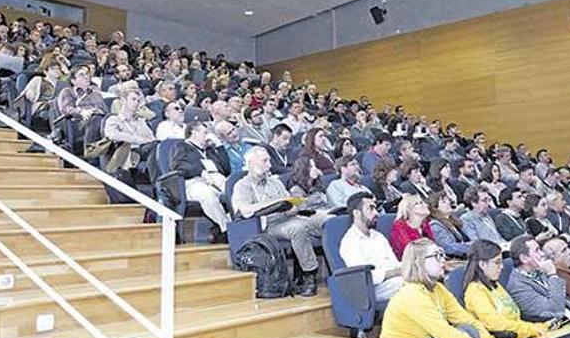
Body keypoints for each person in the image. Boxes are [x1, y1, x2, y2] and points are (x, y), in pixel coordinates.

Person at [231, 147, 325, 297]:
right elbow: (244, 210)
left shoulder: (275, 182)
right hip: (267, 226)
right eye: (265, 161)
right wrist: (274, 204)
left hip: (289, 217)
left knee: (327, 220)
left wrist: (292, 207)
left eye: (269, 161)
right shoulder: (243, 186)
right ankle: (310, 274)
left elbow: (290, 202)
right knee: (298, 228)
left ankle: (341, 269)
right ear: (251, 162)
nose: (269, 165)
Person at [170, 122, 230, 240]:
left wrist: (219, 146)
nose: (208, 136)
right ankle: (227, 229)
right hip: (194, 181)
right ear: (194, 132)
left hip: (217, 179)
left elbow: (226, 168)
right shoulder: (181, 146)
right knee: (207, 194)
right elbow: (177, 165)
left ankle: (239, 223)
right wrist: (201, 172)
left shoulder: (209, 150)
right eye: (205, 132)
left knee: (235, 191)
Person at [339, 193, 403, 301]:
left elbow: (394, 263)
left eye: (376, 209)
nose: (376, 213)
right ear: (357, 213)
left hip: (394, 280)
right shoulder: (350, 242)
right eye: (371, 209)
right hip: (374, 289)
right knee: (408, 284)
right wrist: (396, 272)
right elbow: (364, 277)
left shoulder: (378, 236)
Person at [390, 194, 435, 259]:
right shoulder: (399, 226)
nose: (426, 205)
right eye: (419, 203)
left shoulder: (424, 224)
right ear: (408, 209)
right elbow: (410, 252)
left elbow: (433, 244)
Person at [427, 191, 470, 257]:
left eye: (448, 200)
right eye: (443, 202)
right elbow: (448, 247)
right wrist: (472, 247)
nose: (448, 202)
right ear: (435, 208)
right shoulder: (435, 226)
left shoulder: (454, 220)